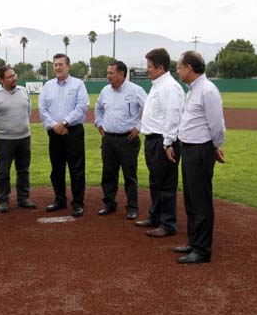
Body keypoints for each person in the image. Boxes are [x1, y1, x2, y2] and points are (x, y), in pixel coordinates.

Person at [172, 50, 226, 264]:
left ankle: (202, 251)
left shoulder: (207, 91)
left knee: (201, 201)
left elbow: (217, 125)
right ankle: (194, 242)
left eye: (179, 67)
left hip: (200, 150)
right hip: (189, 149)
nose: (177, 70)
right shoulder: (192, 90)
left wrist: (216, 146)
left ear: (189, 68)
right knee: (191, 199)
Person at [135, 48, 185, 237]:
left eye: (149, 66)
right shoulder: (157, 85)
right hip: (152, 140)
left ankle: (168, 223)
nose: (147, 69)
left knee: (165, 184)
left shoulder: (169, 87)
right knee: (155, 181)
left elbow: (173, 117)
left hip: (163, 142)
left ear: (161, 67)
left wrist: (168, 143)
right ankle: (155, 216)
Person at [38, 53, 89, 217]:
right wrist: (55, 125)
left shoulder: (78, 84)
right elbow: (42, 109)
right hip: (54, 133)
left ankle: (78, 203)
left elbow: (82, 107)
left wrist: (64, 123)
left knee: (76, 169)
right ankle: (60, 200)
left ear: (69, 66)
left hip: (73, 131)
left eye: (61, 64)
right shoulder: (47, 86)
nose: (57, 67)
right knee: (57, 169)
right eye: (55, 65)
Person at [94, 61, 146, 220]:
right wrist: (99, 123)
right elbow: (98, 108)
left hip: (128, 140)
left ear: (122, 74)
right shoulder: (105, 91)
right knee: (108, 173)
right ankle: (109, 204)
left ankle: (132, 207)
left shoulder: (136, 90)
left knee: (129, 175)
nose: (107, 76)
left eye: (111, 73)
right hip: (108, 139)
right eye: (108, 72)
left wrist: (139, 126)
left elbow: (149, 108)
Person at [0, 66, 36, 213]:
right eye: (9, 77)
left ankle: (23, 198)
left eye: (14, 75)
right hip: (4, 140)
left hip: (24, 138)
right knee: (3, 171)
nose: (14, 78)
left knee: (23, 170)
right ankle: (3, 200)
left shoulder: (24, 91)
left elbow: (28, 111)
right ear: (1, 80)